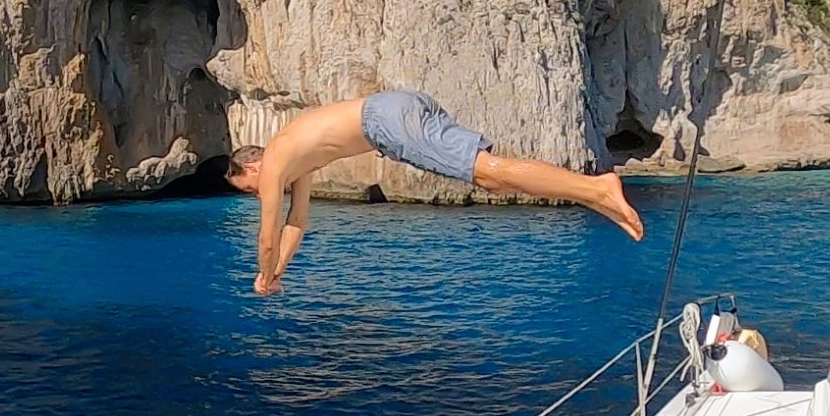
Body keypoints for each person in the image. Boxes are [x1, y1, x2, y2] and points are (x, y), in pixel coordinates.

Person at [224, 91, 644, 295]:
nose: (259, 193)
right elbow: (295, 222)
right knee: (490, 178)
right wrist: (278, 273)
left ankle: (595, 188)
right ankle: (591, 193)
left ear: (252, 167)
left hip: (384, 121)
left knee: (488, 174)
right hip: (394, 112)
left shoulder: (277, 158)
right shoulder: (298, 164)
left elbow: (267, 234)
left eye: (251, 186)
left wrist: (262, 274)